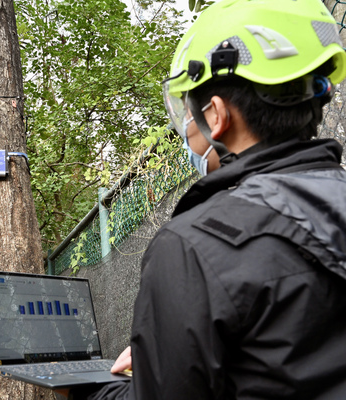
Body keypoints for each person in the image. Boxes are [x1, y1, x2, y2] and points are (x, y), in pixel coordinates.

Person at [59, 0, 346, 399]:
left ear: (216, 116)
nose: (187, 127)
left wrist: (89, 390)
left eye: (189, 111)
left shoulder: (192, 246)